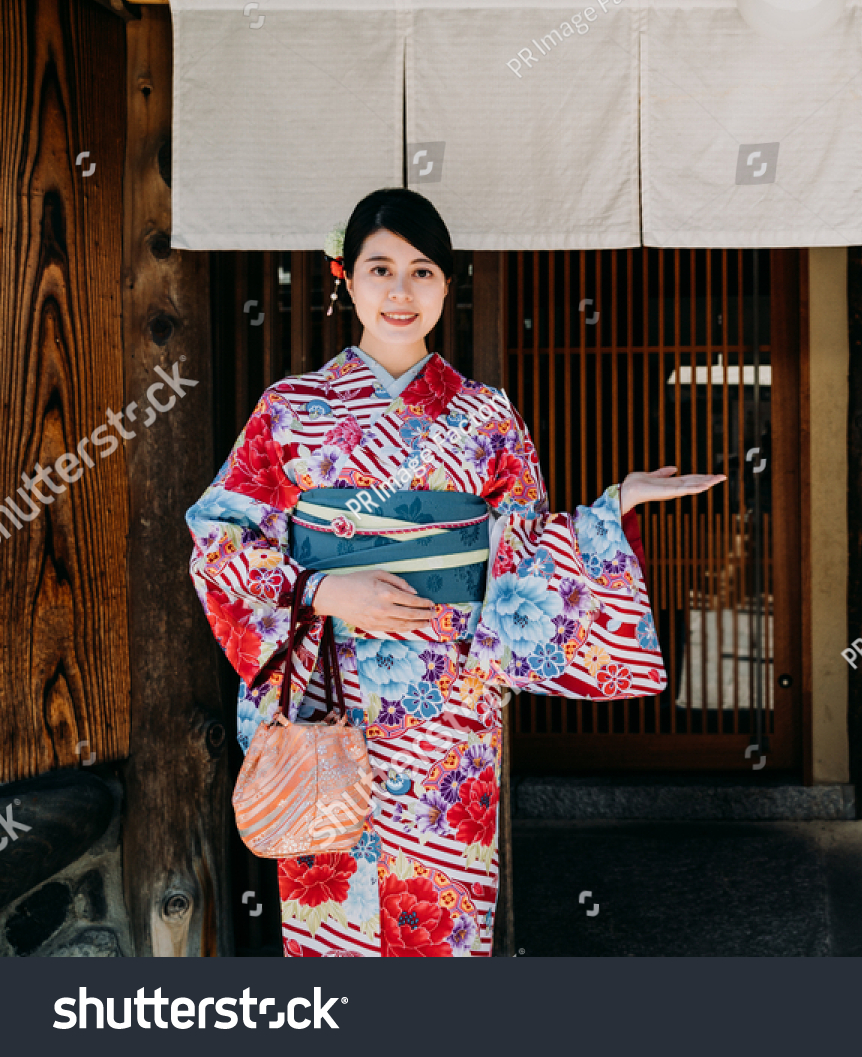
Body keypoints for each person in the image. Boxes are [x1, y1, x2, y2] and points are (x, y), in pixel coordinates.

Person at [185, 187, 723, 957]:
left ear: (447, 283)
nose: (400, 292)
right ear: (345, 276)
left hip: (451, 703)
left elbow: (527, 551)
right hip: (329, 694)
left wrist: (613, 508)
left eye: (423, 271)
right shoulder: (289, 410)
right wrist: (324, 587)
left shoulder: (486, 416)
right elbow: (218, 535)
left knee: (443, 915)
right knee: (331, 903)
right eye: (380, 269)